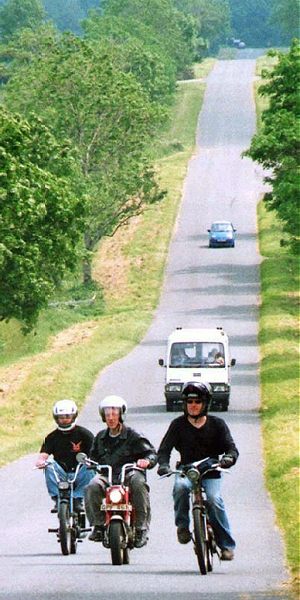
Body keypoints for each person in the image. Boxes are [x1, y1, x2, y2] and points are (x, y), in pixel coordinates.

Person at [157, 381, 238, 560]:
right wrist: (163, 465)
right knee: (180, 488)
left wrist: (228, 459)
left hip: (212, 471)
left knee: (214, 499)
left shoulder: (218, 424)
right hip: (187, 470)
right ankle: (183, 527)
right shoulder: (177, 425)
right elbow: (164, 450)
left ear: (205, 404)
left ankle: (226, 545)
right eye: (189, 402)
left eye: (197, 402)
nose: (193, 406)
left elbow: (232, 449)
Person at [85, 395, 157, 548]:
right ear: (103, 416)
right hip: (107, 475)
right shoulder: (100, 437)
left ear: (121, 414)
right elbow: (92, 457)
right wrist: (89, 463)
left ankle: (141, 528)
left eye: (114, 413)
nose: (111, 417)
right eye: (107, 414)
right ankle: (98, 525)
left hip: (129, 474)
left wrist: (147, 461)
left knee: (138, 483)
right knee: (92, 485)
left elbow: (151, 453)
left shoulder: (133, 435)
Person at [35, 399, 94, 512]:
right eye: (61, 417)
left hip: (79, 472)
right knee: (50, 464)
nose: (64, 420)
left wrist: (92, 461)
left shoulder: (84, 434)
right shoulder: (52, 437)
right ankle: (57, 498)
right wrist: (41, 461)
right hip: (61, 473)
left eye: (67, 416)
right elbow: (43, 454)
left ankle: (78, 498)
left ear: (73, 416)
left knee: (89, 466)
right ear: (56, 418)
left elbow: (95, 452)